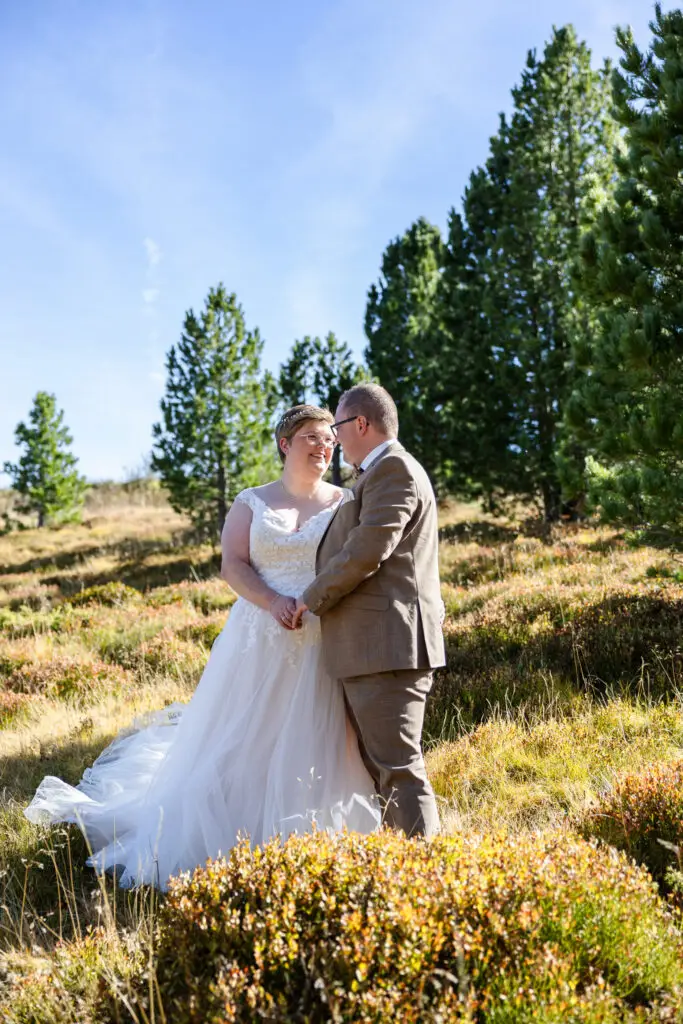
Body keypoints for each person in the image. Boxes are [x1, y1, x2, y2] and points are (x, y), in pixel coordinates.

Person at [24, 405, 380, 889]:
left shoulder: (344, 502)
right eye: (312, 438)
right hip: (256, 634)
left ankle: (304, 840)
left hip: (320, 633)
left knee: (314, 737)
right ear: (285, 443)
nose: (323, 448)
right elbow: (233, 565)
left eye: (329, 441)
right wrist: (273, 601)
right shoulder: (251, 502)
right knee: (243, 735)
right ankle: (231, 833)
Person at [292, 383, 446, 838]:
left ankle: (428, 877)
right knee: (383, 770)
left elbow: (367, 551)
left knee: (399, 767)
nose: (334, 438)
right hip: (371, 648)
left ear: (361, 423)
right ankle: (400, 870)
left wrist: (310, 598)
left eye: (337, 427)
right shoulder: (377, 473)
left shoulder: (394, 469)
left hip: (388, 647)